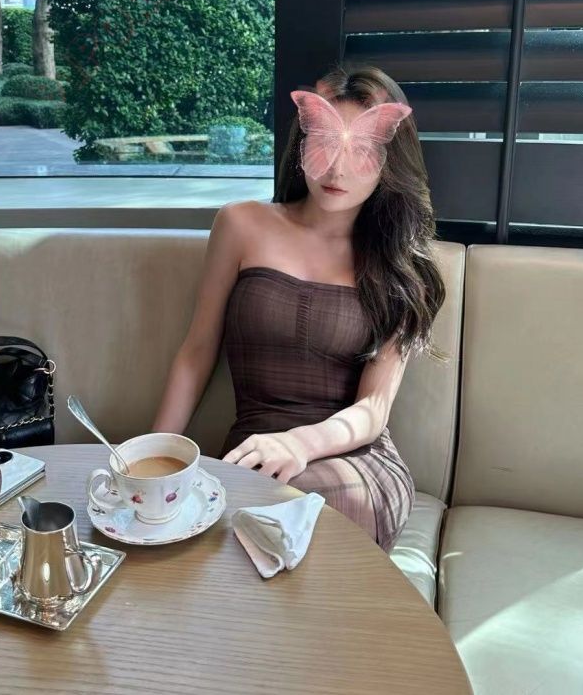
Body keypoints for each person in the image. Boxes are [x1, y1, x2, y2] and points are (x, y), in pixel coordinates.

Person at [151, 62, 450, 553]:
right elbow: (197, 350)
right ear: (303, 142)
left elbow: (373, 409)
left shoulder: (400, 266)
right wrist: (155, 454)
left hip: (353, 462)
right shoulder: (241, 224)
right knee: (256, 508)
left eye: (361, 150)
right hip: (253, 457)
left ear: (390, 161)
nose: (337, 169)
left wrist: (298, 444)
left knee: (312, 502)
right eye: (325, 143)